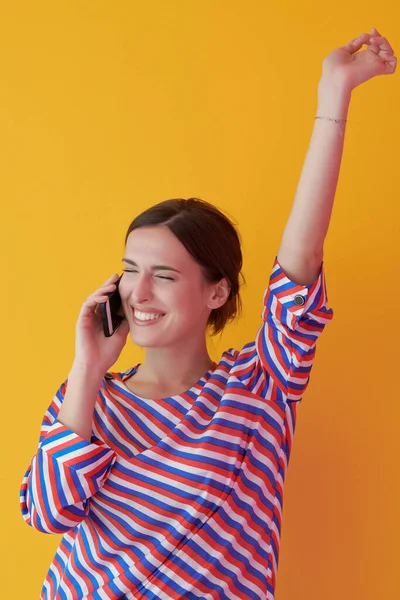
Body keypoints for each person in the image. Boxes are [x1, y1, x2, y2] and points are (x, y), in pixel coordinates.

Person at [19, 28, 396, 600]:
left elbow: (301, 257)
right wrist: (87, 370)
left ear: (217, 292)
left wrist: (334, 95)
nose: (138, 292)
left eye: (165, 276)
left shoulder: (261, 386)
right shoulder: (88, 398)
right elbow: (47, 512)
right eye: (130, 269)